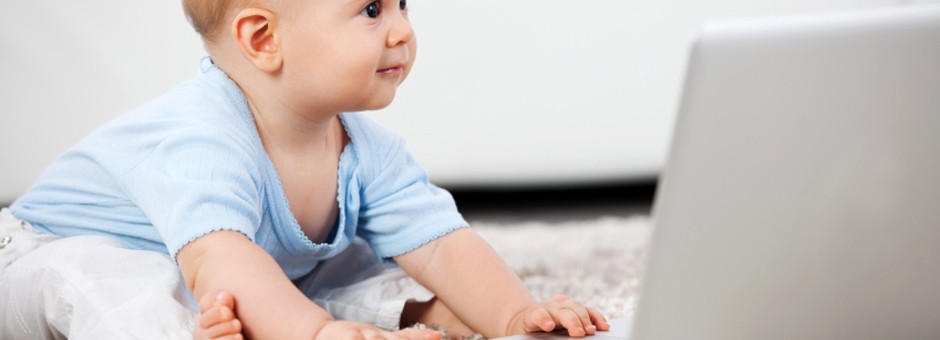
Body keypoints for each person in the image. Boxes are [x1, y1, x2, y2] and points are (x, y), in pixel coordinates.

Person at [0, 0, 610, 339]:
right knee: (119, 285)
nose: (402, 29)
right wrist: (316, 335)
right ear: (264, 39)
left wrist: (511, 316)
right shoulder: (200, 138)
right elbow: (220, 260)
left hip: (215, 273)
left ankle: (409, 322)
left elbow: (444, 246)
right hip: (41, 255)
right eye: (371, 9)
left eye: (402, 4)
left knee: (357, 273)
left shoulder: (368, 150)